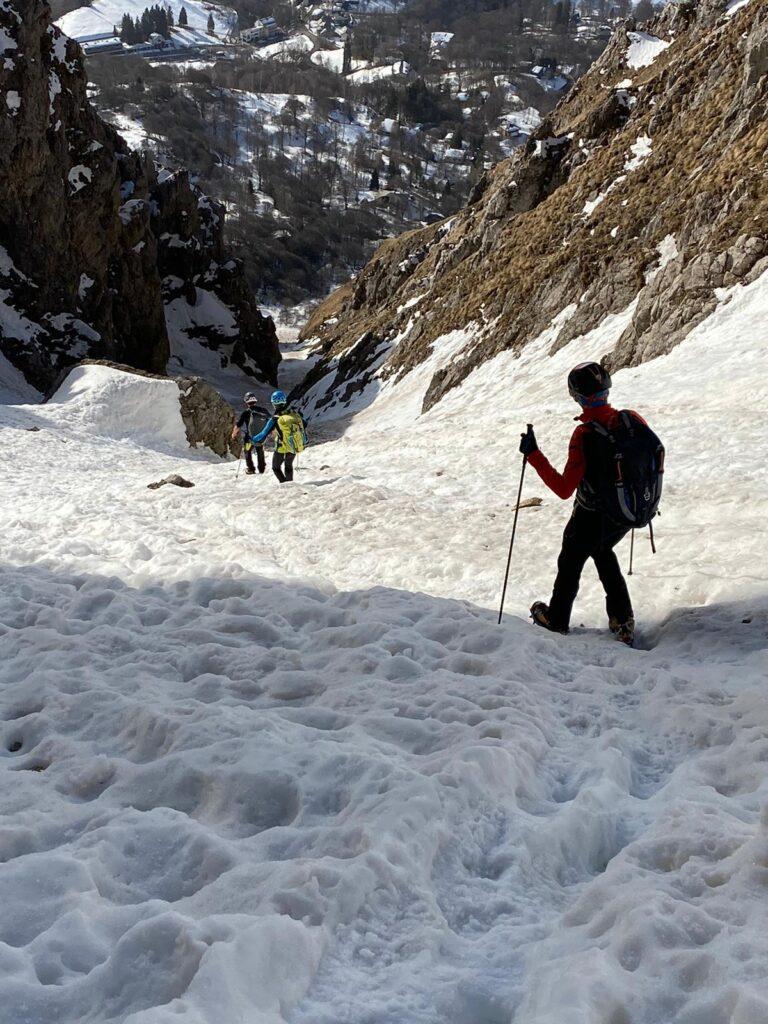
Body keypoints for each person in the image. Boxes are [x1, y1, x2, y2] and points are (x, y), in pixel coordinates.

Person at [519, 362, 643, 646]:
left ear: (577, 396)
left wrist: (534, 455)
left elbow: (564, 489)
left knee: (571, 560)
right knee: (603, 551)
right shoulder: (630, 420)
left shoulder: (585, 435)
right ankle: (623, 621)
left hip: (591, 514)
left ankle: (557, 619)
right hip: (624, 512)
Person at [250, 390, 307, 483]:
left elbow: (263, 434)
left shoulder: (275, 418)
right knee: (288, 466)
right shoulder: (293, 413)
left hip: (281, 447)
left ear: (274, 404)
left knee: (276, 467)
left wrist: (252, 438)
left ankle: (284, 484)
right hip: (293, 444)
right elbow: (304, 424)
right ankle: (290, 485)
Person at [232, 392, 270, 475]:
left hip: (249, 438)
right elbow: (270, 421)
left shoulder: (246, 412)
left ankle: (251, 469)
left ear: (246, 401)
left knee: (247, 451)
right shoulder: (263, 411)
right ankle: (261, 469)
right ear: (255, 401)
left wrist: (233, 434)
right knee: (260, 451)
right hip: (260, 437)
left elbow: (238, 425)